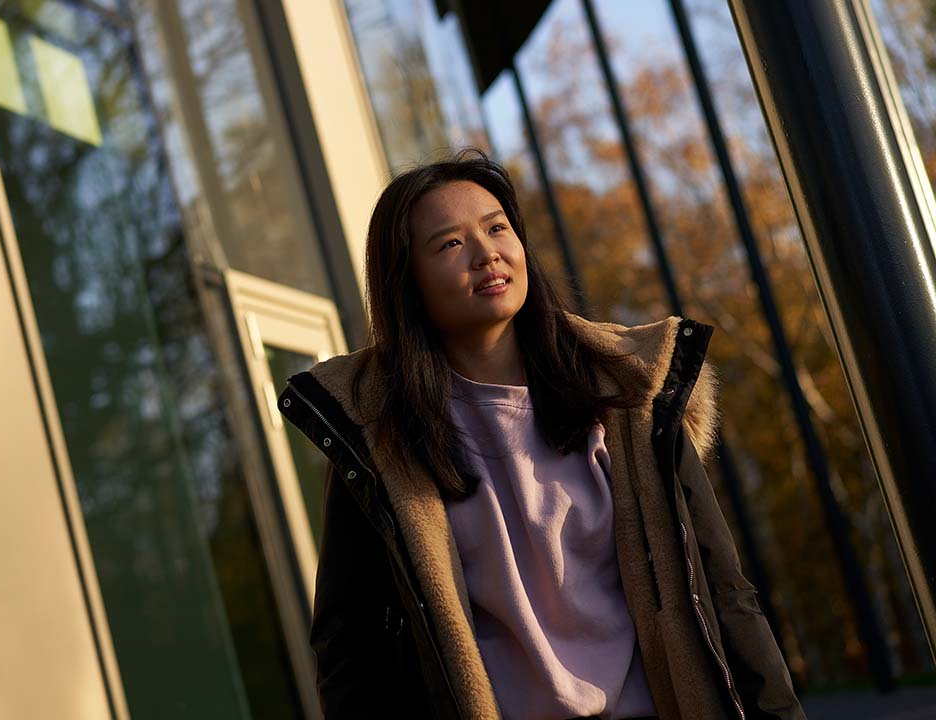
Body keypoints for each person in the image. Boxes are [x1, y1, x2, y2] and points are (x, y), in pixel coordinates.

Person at [278, 148, 806, 720]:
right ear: (408, 282)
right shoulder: (380, 436)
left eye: (497, 228)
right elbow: (349, 647)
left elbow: (727, 595)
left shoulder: (628, 394)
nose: (487, 254)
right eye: (450, 244)